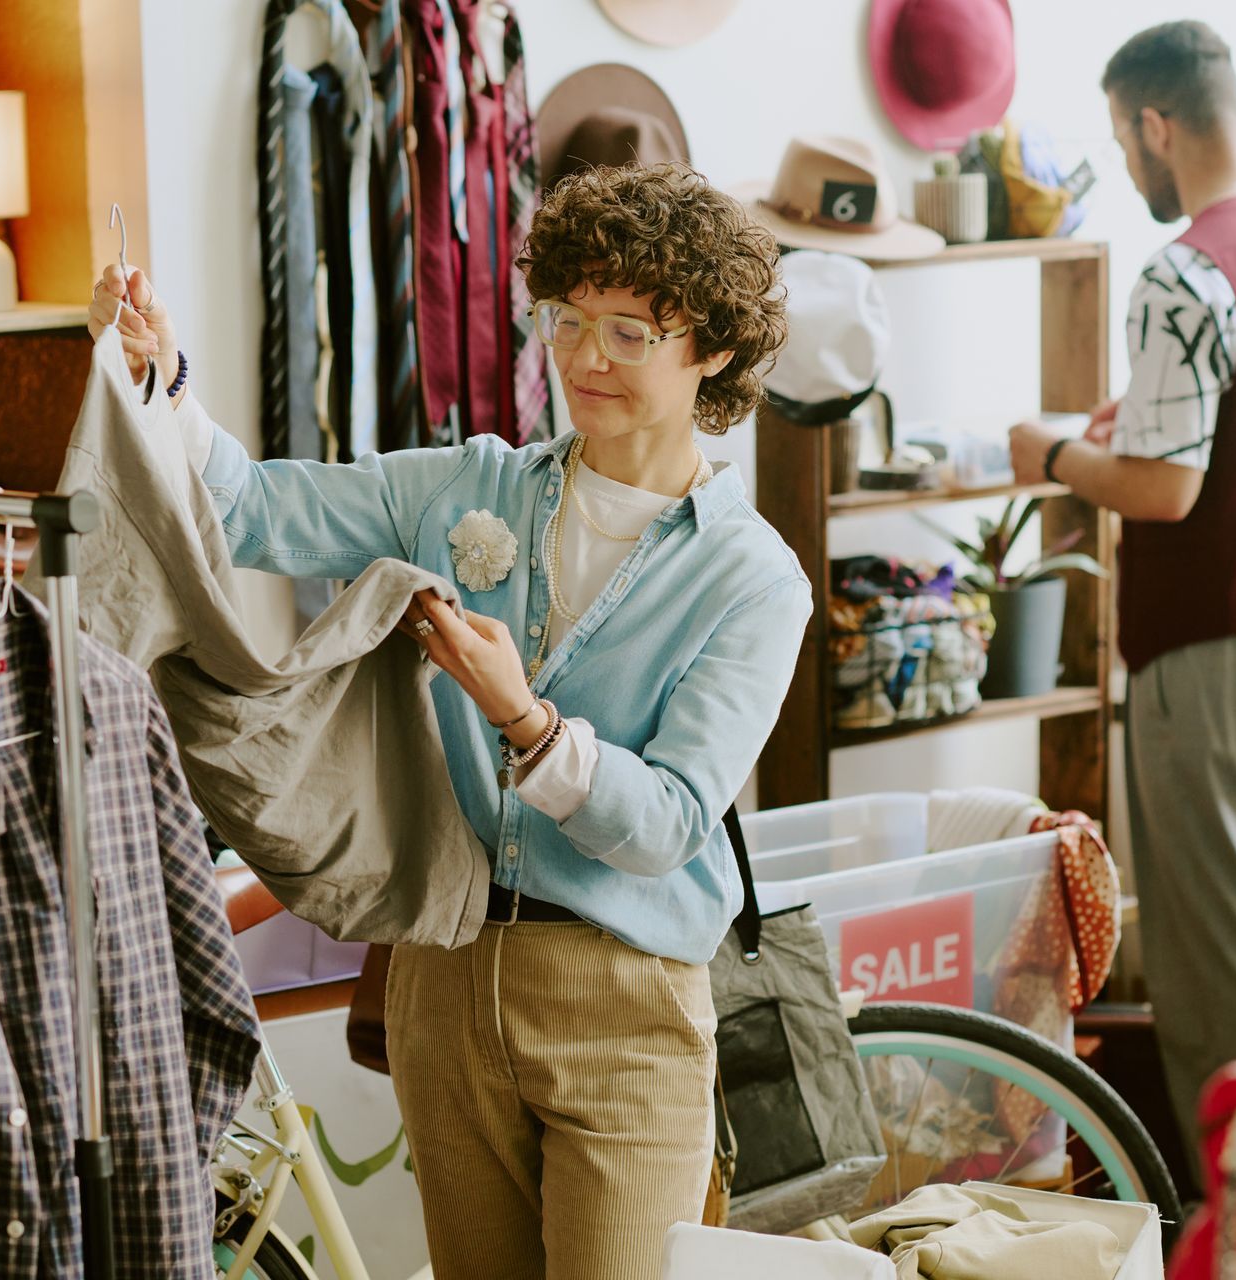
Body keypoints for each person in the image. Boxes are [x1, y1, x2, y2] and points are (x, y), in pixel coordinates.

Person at [88, 162, 805, 1278]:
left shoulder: (753, 578)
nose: (581, 359)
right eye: (564, 320)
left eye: (627, 331)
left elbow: (665, 826)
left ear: (711, 347)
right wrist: (160, 374)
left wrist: (522, 718)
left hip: (623, 1001)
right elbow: (247, 506)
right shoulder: (471, 484)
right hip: (444, 974)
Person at [1009, 20, 1236, 1207]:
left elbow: (1165, 490)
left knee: (1224, 939)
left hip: (1218, 636)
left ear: (1156, 124)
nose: (1129, 165)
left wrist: (1056, 450)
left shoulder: (1186, 267)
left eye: (1127, 141)